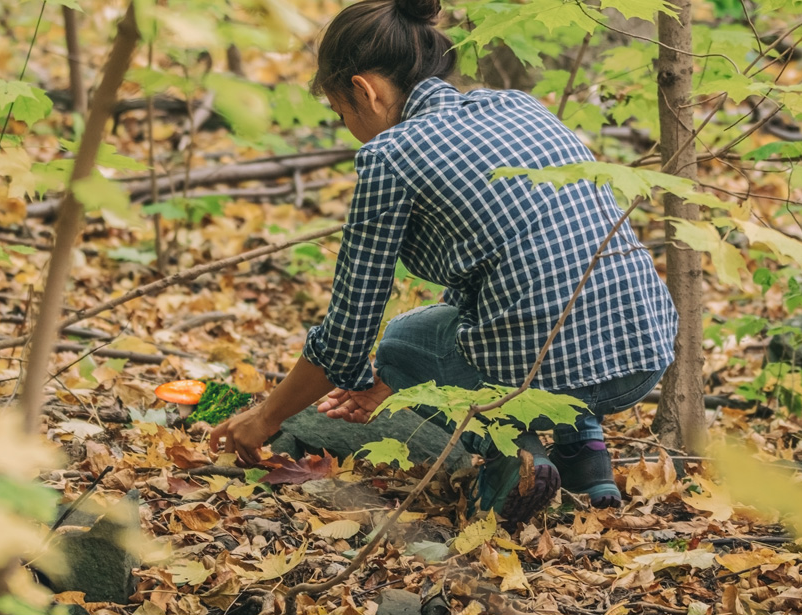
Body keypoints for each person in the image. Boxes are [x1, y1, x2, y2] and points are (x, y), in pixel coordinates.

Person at [208, 0, 678, 528]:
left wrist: (267, 416)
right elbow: (504, 266)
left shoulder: (390, 154)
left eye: (343, 115)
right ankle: (585, 454)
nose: (349, 129)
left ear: (366, 90)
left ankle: (516, 458)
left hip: (553, 372)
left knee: (402, 341)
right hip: (645, 351)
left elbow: (347, 337)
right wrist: (397, 381)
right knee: (540, 307)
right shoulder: (519, 107)